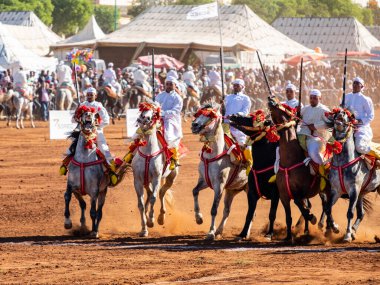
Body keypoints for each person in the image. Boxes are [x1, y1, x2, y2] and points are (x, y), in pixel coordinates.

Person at [122, 76, 183, 170]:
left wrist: (162, 113)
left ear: (175, 85)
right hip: (157, 118)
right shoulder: (160, 95)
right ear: (165, 85)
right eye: (167, 84)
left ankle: (174, 158)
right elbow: (153, 106)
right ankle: (131, 155)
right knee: (140, 132)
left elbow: (176, 111)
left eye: (171, 84)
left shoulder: (178, 98)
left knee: (168, 136)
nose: (169, 86)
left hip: (170, 120)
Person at [59, 87, 118, 185]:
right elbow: (73, 120)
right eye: (88, 95)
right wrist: (76, 116)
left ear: (95, 96)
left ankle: (111, 172)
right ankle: (66, 166)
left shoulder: (98, 106)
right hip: (82, 131)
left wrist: (96, 125)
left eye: (91, 95)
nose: (90, 96)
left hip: (96, 131)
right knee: (71, 148)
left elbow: (106, 120)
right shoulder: (82, 105)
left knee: (104, 149)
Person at [297, 89, 331, 175]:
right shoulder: (305, 108)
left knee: (313, 152)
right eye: (311, 98)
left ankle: (324, 172)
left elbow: (329, 123)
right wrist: (297, 112)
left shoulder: (324, 110)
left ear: (320, 98)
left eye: (315, 98)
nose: (312, 100)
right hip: (303, 136)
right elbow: (297, 118)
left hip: (318, 138)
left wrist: (315, 126)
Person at [345, 77, 379, 159]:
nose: (355, 85)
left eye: (358, 83)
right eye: (354, 83)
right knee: (333, 143)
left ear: (362, 86)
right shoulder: (346, 97)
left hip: (361, 128)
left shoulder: (366, 99)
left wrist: (359, 121)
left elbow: (371, 115)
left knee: (359, 147)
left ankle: (377, 154)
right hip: (347, 127)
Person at [224, 79, 252, 175]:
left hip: (238, 125)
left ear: (242, 87)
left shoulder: (246, 98)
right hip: (226, 125)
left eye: (237, 85)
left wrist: (234, 115)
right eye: (234, 85)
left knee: (242, 144)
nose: (235, 87)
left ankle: (248, 163)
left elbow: (245, 112)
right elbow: (223, 110)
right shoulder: (227, 97)